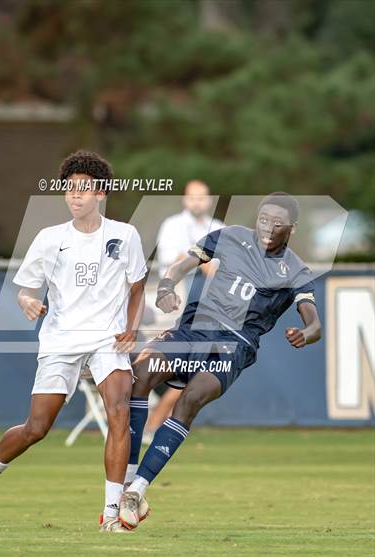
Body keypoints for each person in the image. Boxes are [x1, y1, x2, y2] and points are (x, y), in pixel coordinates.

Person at [0, 150, 147, 533]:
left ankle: (110, 514)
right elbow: (25, 289)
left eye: (84, 189)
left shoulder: (124, 235)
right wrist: (29, 301)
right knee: (37, 428)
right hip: (61, 338)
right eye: (70, 189)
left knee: (119, 413)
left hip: (107, 339)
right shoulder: (49, 239)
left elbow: (138, 287)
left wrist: (131, 327)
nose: (75, 196)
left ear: (101, 193)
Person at [118, 192, 322, 529]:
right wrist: (167, 285)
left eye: (277, 223)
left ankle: (137, 490)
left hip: (234, 346)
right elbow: (182, 264)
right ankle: (127, 477)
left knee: (190, 399)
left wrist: (308, 331)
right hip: (195, 329)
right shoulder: (230, 237)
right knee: (139, 376)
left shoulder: (296, 270)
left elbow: (314, 322)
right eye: (263, 219)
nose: (268, 227)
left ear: (292, 229)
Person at [143, 181, 225, 440]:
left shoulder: (220, 228)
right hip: (173, 304)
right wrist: (201, 263)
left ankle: (154, 423)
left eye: (202, 197)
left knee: (192, 368)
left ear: (209, 200)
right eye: (192, 197)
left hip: (207, 310)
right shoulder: (173, 225)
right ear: (184, 200)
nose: (197, 202)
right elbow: (173, 262)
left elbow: (224, 270)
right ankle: (144, 417)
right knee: (155, 362)